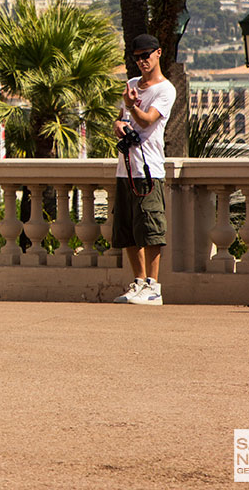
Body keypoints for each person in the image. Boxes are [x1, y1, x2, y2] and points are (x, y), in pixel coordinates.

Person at [111, 33, 176, 306]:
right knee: (127, 229)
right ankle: (138, 282)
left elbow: (148, 121)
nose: (141, 61)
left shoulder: (165, 90)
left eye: (146, 55)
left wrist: (131, 106)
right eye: (137, 57)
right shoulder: (131, 85)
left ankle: (153, 286)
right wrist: (118, 124)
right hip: (126, 169)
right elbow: (122, 119)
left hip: (149, 170)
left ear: (158, 53)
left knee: (150, 228)